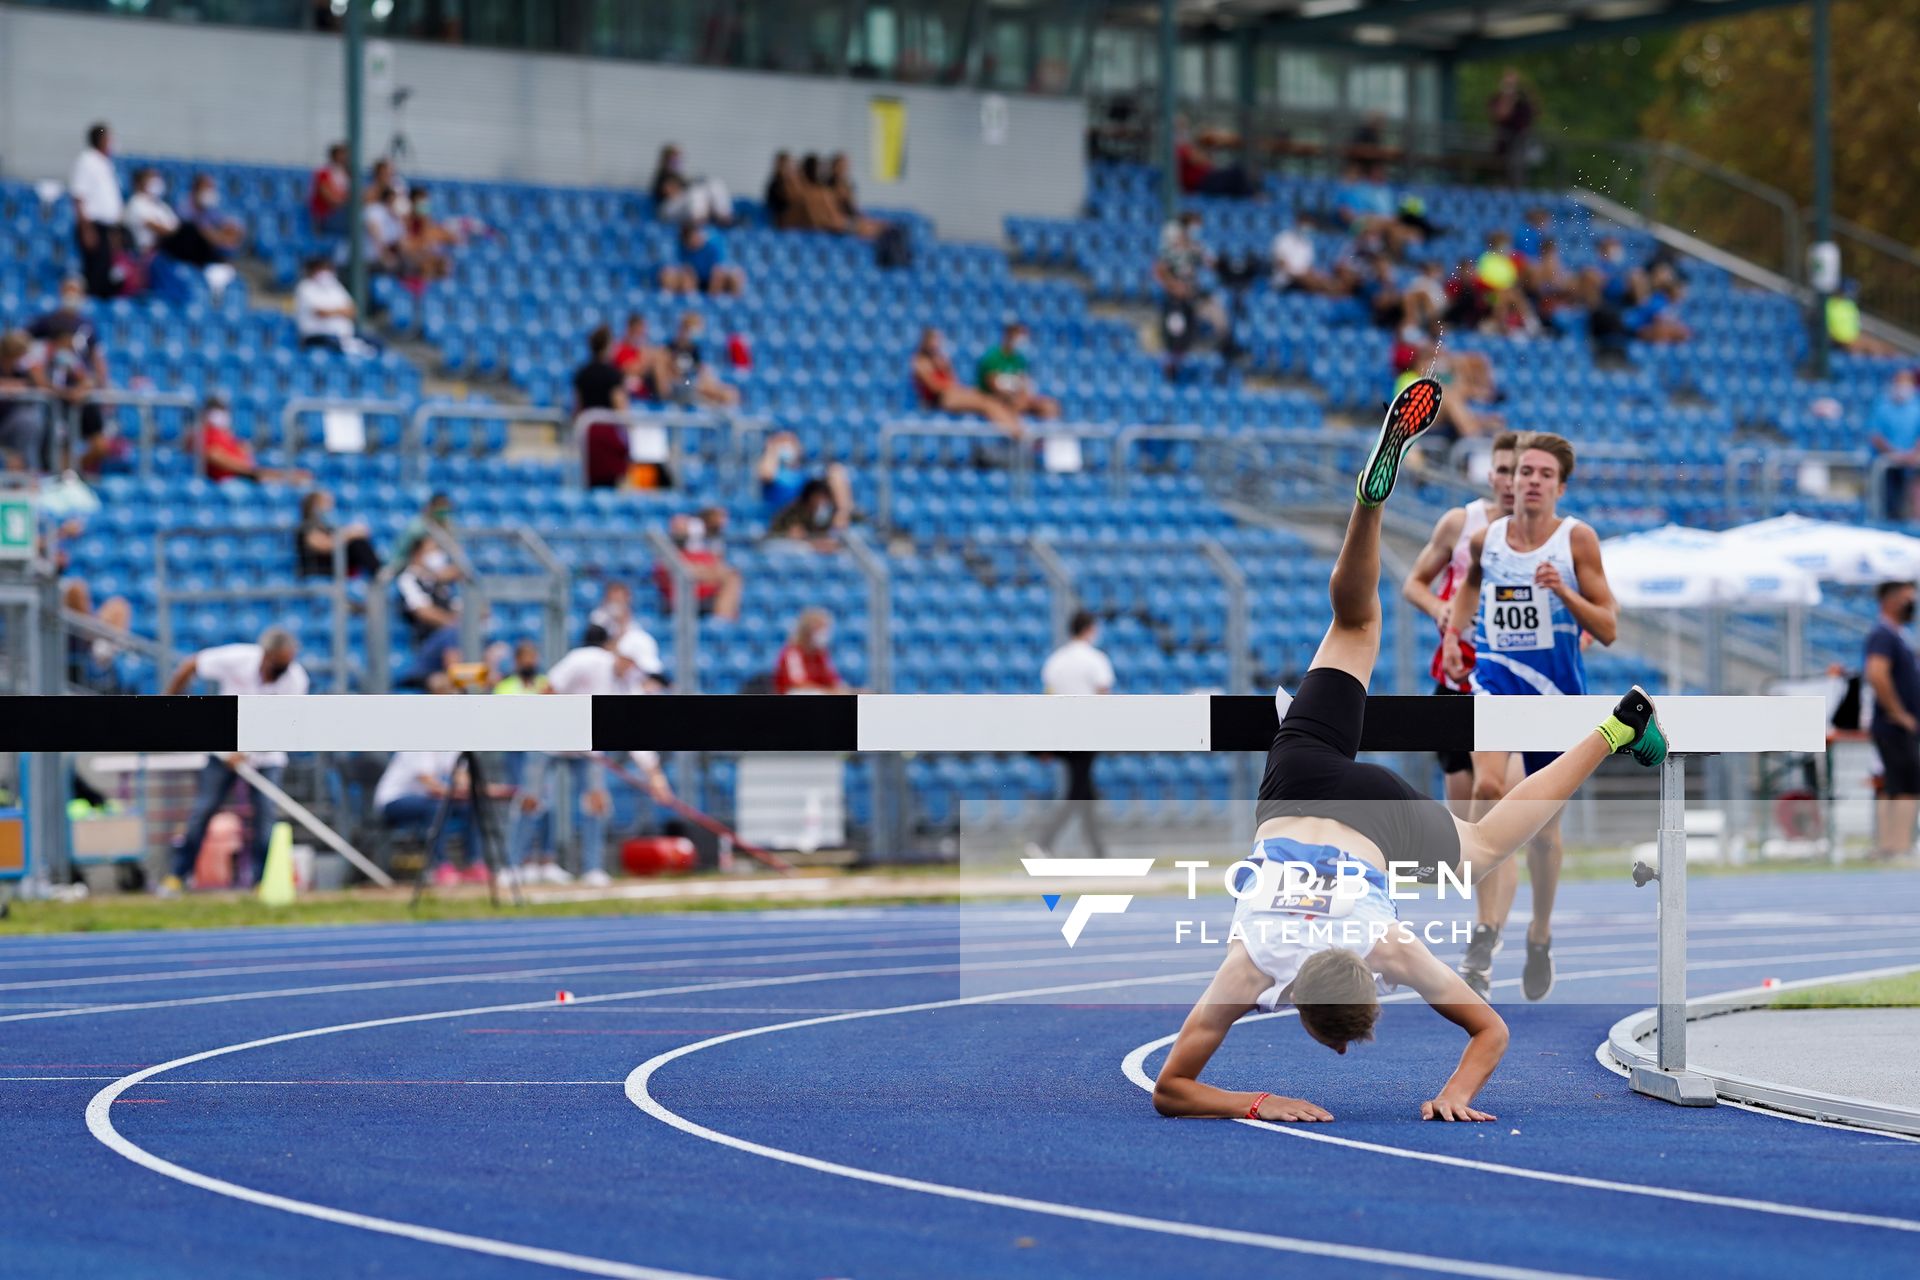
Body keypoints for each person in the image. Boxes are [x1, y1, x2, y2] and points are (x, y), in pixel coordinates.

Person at [1151, 380, 1666, 1125]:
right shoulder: (1259, 960)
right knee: (1356, 625)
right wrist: (1256, 1099)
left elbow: (1492, 1032)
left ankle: (1618, 729)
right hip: (1299, 784)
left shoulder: (1379, 948)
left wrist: (1449, 1095)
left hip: (1372, 818)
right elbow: (1173, 1093)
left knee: (1486, 845)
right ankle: (1369, 502)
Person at [1442, 433, 1619, 1001]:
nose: (1533, 481)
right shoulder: (1486, 536)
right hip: (1493, 681)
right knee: (1489, 783)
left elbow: (1609, 627)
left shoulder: (1577, 540)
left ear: (1560, 487)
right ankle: (1484, 930)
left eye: (1545, 474)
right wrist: (1454, 636)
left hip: (1557, 694)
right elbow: (1468, 588)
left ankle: (1539, 934)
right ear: (1510, 481)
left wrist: (1563, 591)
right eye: (1525, 472)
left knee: (1544, 834)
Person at [1402, 433, 1520, 815]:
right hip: (1457, 676)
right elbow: (1414, 584)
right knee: (1464, 815)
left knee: (1503, 804)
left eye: (1518, 472)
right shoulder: (1460, 522)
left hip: (1511, 680)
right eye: (1503, 470)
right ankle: (1468, 872)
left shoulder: (1544, 536)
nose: (1510, 481)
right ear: (1490, 475)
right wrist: (1440, 610)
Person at [159, 629, 311, 894]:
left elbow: (286, 724)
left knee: (265, 819)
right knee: (202, 811)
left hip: (267, 757)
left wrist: (248, 750)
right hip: (224, 751)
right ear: (267, 655)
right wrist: (166, 706)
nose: (283, 668)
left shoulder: (296, 680)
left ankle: (262, 882)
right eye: (278, 662)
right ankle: (177, 875)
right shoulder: (238, 658)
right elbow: (191, 665)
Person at [1029, 609, 1115, 859]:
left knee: (1084, 790)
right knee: (1079, 792)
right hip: (1086, 732)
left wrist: (1045, 741)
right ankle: (1044, 841)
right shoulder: (1095, 659)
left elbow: (1048, 698)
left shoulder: (1056, 661)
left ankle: (1099, 854)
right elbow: (1103, 696)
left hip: (1061, 732)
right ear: (1089, 629)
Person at [373, 746, 492, 887]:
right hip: (394, 801)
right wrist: (456, 793)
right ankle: (440, 866)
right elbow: (428, 782)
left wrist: (476, 789)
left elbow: (460, 775)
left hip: (430, 801)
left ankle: (473, 863)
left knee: (470, 806)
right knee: (437, 807)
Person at [1866, 581, 1920, 861]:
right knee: (1907, 785)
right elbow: (1877, 673)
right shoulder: (1884, 635)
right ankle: (1898, 846)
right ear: (1890, 600)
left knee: (1895, 784)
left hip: (1895, 725)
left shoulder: (1897, 635)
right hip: (1894, 725)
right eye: (1906, 598)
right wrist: (1899, 713)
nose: (1912, 603)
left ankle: (1890, 845)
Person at [910, 328, 1021, 434]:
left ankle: (1015, 427)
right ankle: (1015, 431)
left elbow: (953, 379)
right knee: (986, 404)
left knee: (989, 398)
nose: (938, 344)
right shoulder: (920, 362)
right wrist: (953, 386)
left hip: (952, 394)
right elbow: (934, 387)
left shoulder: (940, 359)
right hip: (941, 400)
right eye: (935, 340)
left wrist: (946, 368)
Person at [195, 395, 312, 486]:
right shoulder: (205, 434)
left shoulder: (228, 436)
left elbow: (246, 458)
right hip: (229, 481)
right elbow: (216, 456)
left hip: (246, 477)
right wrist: (252, 471)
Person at [395, 532, 463, 688]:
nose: (437, 555)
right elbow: (423, 611)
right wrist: (452, 622)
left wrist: (462, 578)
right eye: (432, 550)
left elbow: (463, 609)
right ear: (417, 554)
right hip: (425, 645)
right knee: (451, 633)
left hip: (449, 643)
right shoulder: (408, 579)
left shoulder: (439, 584)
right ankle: (460, 681)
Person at [69, 123, 124, 299]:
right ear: (100, 139)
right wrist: (87, 229)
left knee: (106, 274)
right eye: (109, 138)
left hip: (106, 227)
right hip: (93, 226)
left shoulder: (105, 164)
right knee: (95, 275)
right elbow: (79, 196)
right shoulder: (87, 161)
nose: (112, 142)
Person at [658, 509, 744, 622]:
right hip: (680, 598)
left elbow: (717, 568)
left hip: (707, 595)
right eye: (677, 527)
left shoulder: (701, 550)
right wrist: (706, 573)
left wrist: (706, 572)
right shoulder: (666, 552)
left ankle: (722, 626)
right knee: (729, 577)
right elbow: (682, 571)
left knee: (733, 578)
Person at [573, 324, 631, 490]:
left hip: (588, 431)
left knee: (591, 480)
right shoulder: (613, 374)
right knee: (610, 480)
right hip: (607, 431)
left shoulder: (582, 373)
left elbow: (578, 406)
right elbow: (620, 406)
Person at [294, 256, 379, 355]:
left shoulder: (335, 286)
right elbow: (321, 313)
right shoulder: (305, 287)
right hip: (316, 337)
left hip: (343, 336)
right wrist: (341, 311)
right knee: (340, 347)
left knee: (375, 343)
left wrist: (333, 311)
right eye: (321, 269)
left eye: (327, 268)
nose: (325, 272)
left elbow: (353, 311)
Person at [976, 321, 1059, 422]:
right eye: (1019, 335)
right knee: (1014, 405)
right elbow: (993, 385)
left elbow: (1023, 382)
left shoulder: (1019, 359)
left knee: (1049, 406)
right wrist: (1013, 397)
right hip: (993, 399)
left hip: (1015, 399)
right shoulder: (993, 356)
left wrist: (1025, 397)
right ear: (1009, 335)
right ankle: (1016, 432)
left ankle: (1050, 433)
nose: (1021, 340)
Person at [1868, 370, 1920, 521]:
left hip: (1911, 462)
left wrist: (1912, 454)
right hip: (1887, 465)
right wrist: (1895, 453)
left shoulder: (1916, 407)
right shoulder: (1883, 407)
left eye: (1907, 383)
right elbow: (1875, 436)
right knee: (1890, 505)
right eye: (1900, 383)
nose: (1904, 387)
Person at [295, 489, 382, 578]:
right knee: (356, 543)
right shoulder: (306, 528)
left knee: (358, 543)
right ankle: (379, 572)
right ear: (314, 506)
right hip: (317, 571)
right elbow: (326, 545)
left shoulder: (328, 527)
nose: (330, 507)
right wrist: (350, 534)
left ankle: (379, 571)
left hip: (336, 567)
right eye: (326, 503)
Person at [662, 313, 739, 410]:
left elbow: (699, 370)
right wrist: (692, 382)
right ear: (683, 329)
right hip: (682, 386)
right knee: (709, 389)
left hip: (693, 386)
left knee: (729, 392)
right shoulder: (670, 349)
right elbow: (672, 377)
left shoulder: (694, 350)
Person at [774, 608, 850, 694]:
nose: (824, 634)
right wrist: (827, 692)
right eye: (820, 629)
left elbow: (832, 680)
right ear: (808, 631)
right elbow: (798, 683)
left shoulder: (820, 653)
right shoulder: (792, 652)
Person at [660, 223, 745, 296]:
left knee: (736, 275)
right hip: (693, 280)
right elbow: (683, 268)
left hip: (714, 279)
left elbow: (717, 271)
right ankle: (690, 301)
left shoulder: (713, 244)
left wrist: (712, 296)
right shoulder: (682, 247)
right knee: (676, 274)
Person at [1489, 69, 1536, 187]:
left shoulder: (1523, 100)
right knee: (1501, 169)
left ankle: (1517, 188)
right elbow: (1501, 115)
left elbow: (1533, 115)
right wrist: (1508, 99)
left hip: (1519, 140)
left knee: (1517, 168)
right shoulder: (1497, 98)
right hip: (1503, 141)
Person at [308, 143, 352, 237]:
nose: (345, 158)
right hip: (326, 218)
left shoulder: (346, 175)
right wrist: (349, 201)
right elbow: (330, 199)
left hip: (341, 214)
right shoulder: (323, 173)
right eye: (342, 154)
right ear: (334, 156)